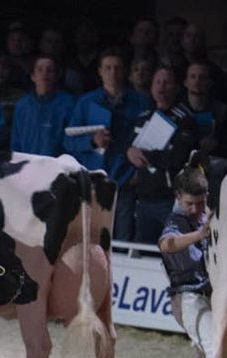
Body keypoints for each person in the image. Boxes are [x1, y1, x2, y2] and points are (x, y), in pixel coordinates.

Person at [147, 169, 221, 358]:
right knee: (215, 351)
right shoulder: (176, 220)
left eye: (200, 203)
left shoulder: (207, 216)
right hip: (187, 298)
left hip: (210, 297)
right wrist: (201, 235)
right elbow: (166, 244)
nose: (195, 209)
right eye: (190, 203)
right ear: (178, 198)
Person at [66, 48, 151, 240]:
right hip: (93, 183)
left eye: (117, 68)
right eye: (108, 68)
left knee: (120, 239)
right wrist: (92, 141)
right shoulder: (86, 102)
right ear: (99, 71)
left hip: (124, 182)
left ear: (125, 71)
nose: (113, 73)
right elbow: (69, 140)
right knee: (90, 238)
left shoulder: (141, 102)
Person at [127, 67, 199, 244]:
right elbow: (129, 146)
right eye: (157, 82)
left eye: (167, 82)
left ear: (175, 87)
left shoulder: (185, 118)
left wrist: (148, 157)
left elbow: (179, 157)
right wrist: (129, 152)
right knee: (142, 252)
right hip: (143, 199)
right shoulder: (143, 117)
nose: (162, 86)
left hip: (170, 200)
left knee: (174, 253)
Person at [12, 55, 75, 157]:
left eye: (50, 70)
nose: (45, 73)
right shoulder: (22, 105)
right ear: (33, 76)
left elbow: (73, 141)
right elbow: (16, 141)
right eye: (40, 70)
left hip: (57, 166)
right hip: (27, 165)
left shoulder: (68, 104)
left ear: (56, 76)